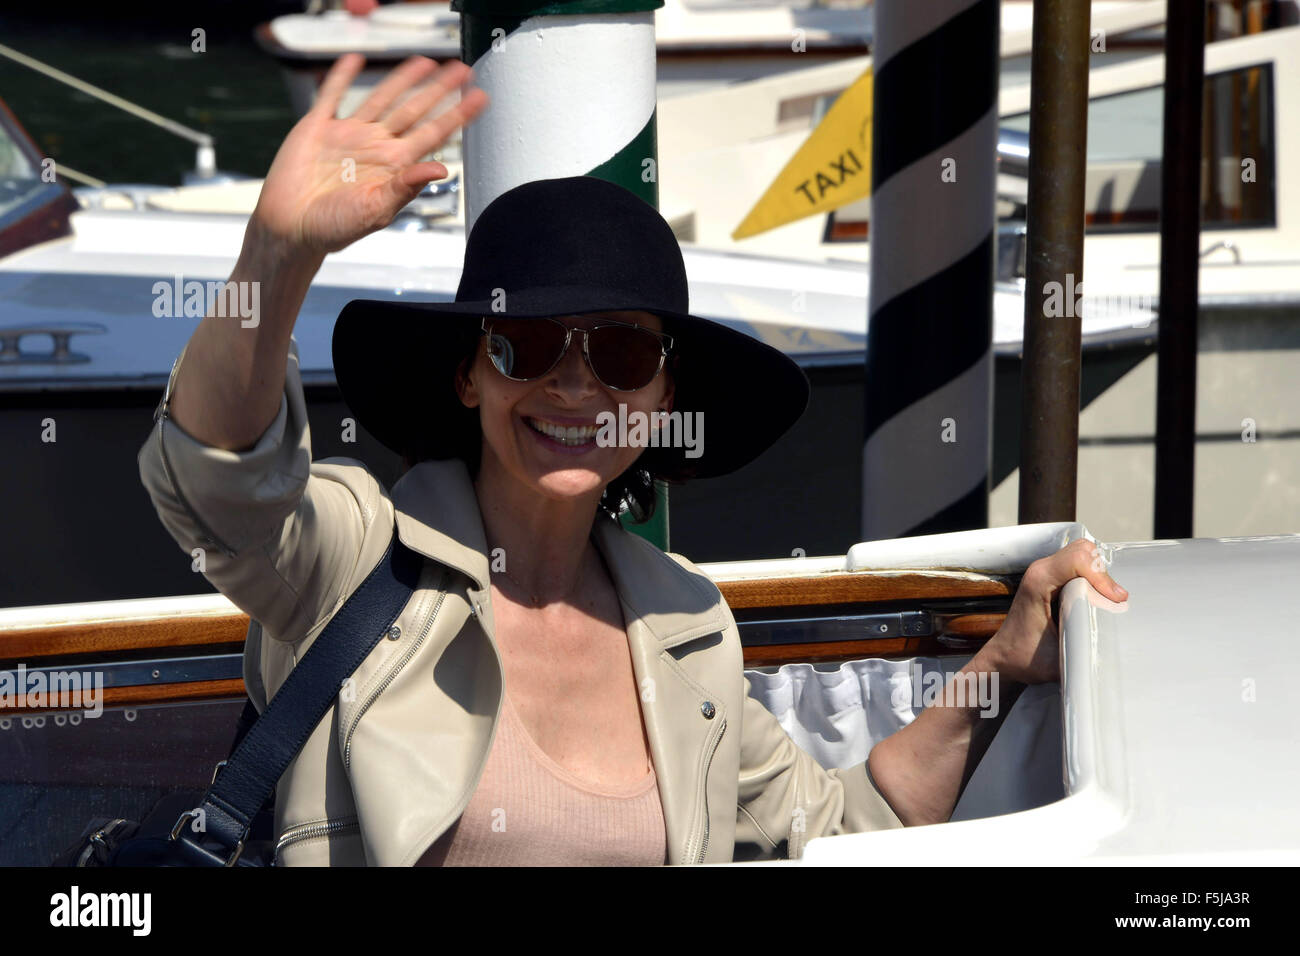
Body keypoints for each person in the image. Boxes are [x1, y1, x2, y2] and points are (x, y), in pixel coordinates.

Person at [138, 54, 1128, 866]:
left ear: (662, 398)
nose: (575, 387)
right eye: (523, 344)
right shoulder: (357, 558)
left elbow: (843, 826)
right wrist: (275, 253)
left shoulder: (684, 620)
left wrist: (1000, 664)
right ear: (470, 376)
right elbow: (218, 477)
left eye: (619, 352)